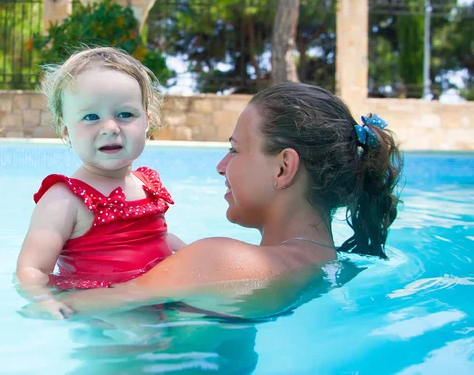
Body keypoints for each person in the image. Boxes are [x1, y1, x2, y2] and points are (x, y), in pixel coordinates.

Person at [22, 81, 403, 319]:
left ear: (284, 168)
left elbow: (73, 310)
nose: (221, 166)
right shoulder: (337, 269)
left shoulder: (219, 261)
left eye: (235, 150)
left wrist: (42, 292)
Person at [15, 47, 186, 319]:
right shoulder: (64, 200)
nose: (110, 127)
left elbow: (159, 238)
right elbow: (32, 269)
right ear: (66, 131)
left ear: (147, 124)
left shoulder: (146, 183)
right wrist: (42, 301)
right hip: (105, 311)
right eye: (91, 117)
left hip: (159, 296)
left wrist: (195, 258)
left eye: (125, 115)